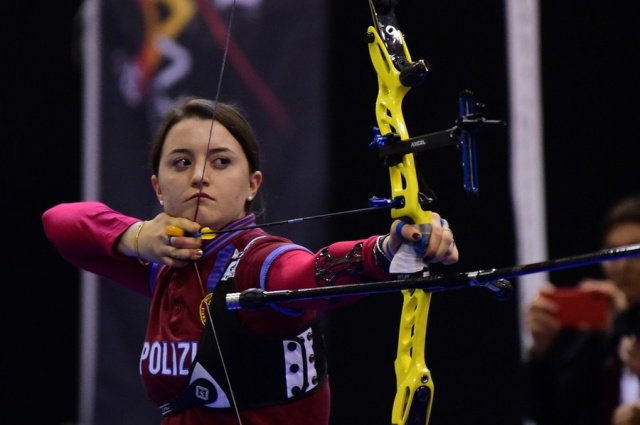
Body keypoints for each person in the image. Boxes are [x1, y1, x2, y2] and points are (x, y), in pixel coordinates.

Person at [42, 97, 459, 425]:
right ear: (158, 186)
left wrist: (385, 251)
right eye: (181, 162)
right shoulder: (164, 263)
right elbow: (59, 223)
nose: (199, 176)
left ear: (251, 184)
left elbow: (306, 272)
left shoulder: (258, 262)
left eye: (221, 161)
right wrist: (136, 237)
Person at [524, 194, 640, 425]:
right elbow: (550, 415)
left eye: (634, 252)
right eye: (612, 253)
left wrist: (626, 315)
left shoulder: (621, 319)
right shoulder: (595, 331)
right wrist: (541, 352)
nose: (622, 266)